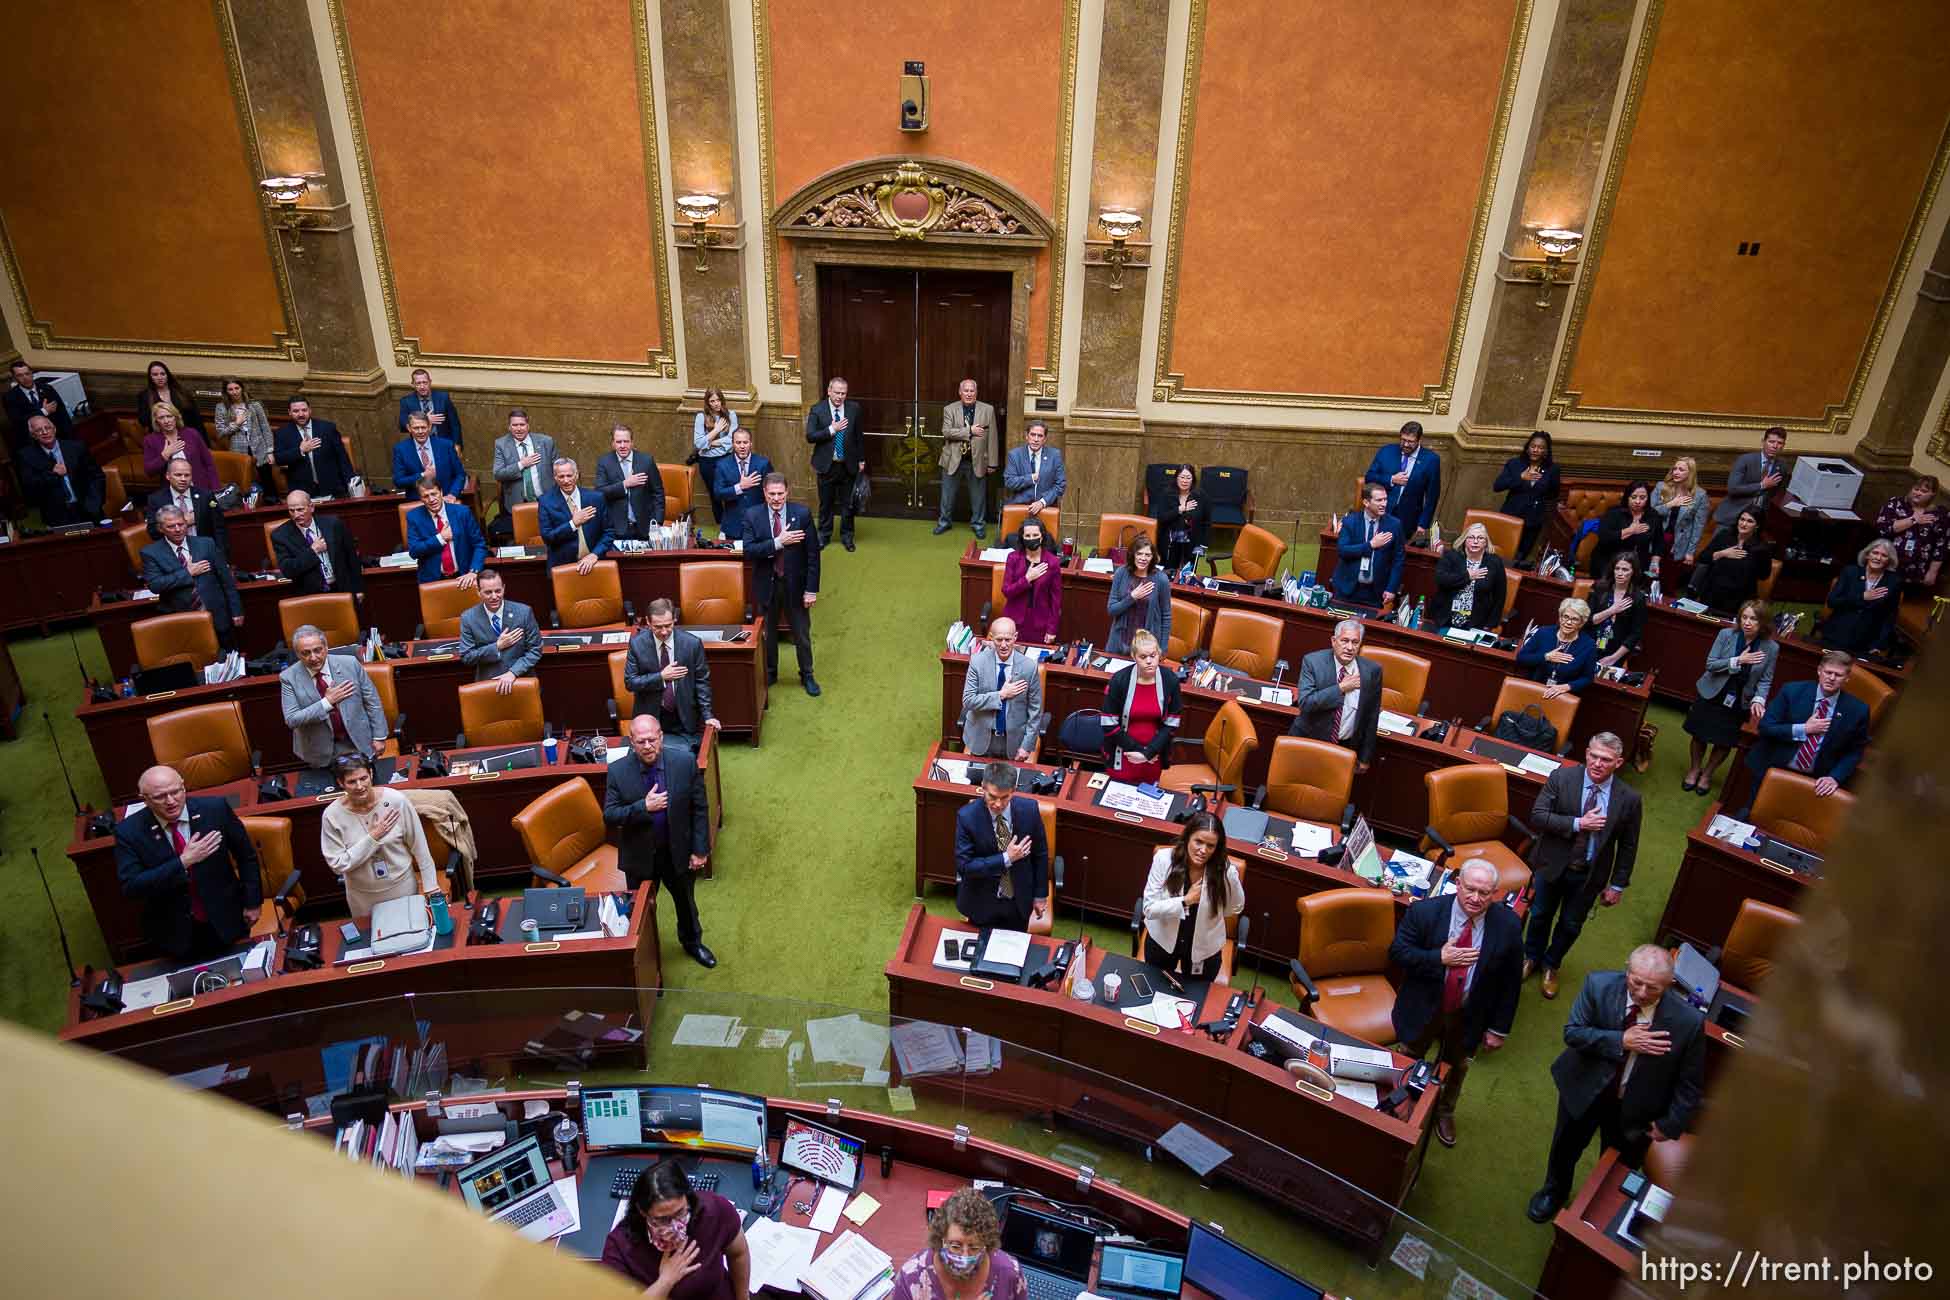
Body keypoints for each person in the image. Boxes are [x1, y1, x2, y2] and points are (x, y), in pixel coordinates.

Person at [1526, 946, 1705, 1224]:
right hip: (1585, 1088)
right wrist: (1621, 1040)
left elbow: (1690, 1083)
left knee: (1618, 1169)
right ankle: (1555, 1192)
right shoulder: (1598, 985)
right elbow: (1573, 1033)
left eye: (1654, 988)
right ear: (1627, 971)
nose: (1643, 993)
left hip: (1637, 1109)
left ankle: (1598, 1216)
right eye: (1637, 983)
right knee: (1565, 1148)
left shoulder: (1688, 1022)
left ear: (1670, 984)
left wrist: (1670, 1124)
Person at [1389, 859, 1522, 1148]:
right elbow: (1398, 954)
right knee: (1409, 1055)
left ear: (1495, 893)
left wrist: (1499, 1029)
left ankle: (1445, 1111)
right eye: (1470, 889)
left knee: (1457, 1067)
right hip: (1424, 1006)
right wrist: (1438, 958)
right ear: (1457, 884)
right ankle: (1401, 1104)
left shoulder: (1508, 925)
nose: (1475, 898)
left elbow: (1510, 981)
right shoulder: (1425, 912)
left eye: (1484, 893)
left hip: (1469, 1013)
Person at [1522, 732, 1641, 998]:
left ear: (1618, 763)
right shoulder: (1562, 778)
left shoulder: (1629, 798)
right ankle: (1531, 957)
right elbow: (1538, 816)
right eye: (1594, 756)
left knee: (1571, 925)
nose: (1598, 763)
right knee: (1540, 914)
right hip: (1551, 863)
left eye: (1606, 759)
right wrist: (1579, 824)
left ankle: (1552, 964)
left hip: (1589, 874)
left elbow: (1628, 845)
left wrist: (1618, 884)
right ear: (1586, 753)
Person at [115, 764, 262, 960]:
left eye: (175, 792)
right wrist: (183, 862)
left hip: (227, 917)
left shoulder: (215, 810)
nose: (170, 801)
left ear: (183, 787)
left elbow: (246, 857)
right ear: (145, 799)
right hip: (174, 931)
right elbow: (132, 887)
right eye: (160, 797)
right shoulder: (129, 832)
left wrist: (253, 903)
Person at [604, 715, 715, 967]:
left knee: (686, 904)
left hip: (677, 851)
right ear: (632, 742)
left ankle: (693, 943)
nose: (647, 746)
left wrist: (700, 849)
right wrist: (642, 807)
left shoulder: (685, 762)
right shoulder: (618, 771)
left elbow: (699, 808)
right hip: (640, 856)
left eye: (652, 739)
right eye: (641, 741)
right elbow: (610, 816)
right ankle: (644, 959)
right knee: (639, 912)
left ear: (661, 737)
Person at [601, 1156, 751, 1299]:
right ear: (642, 1211)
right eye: (662, 1219)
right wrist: (665, 1282)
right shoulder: (619, 1248)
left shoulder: (713, 1210)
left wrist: (743, 1298)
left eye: (680, 1213)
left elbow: (738, 1253)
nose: (674, 1227)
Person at [1743, 650, 1869, 808]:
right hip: (1773, 768)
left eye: (1838, 675)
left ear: (1847, 678)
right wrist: (1803, 729)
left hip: (1815, 782)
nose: (1831, 678)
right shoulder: (1792, 691)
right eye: (1828, 672)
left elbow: (1855, 751)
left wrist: (1835, 777)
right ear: (1819, 671)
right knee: (1750, 814)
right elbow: (1766, 728)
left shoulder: (1857, 710)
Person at [321, 753, 438, 915]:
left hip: (401, 887)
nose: (360, 786)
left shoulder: (397, 801)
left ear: (371, 774)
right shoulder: (332, 815)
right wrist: (373, 836)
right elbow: (338, 864)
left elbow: (420, 847)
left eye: (363, 778)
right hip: (362, 896)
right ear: (341, 783)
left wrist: (431, 887)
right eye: (352, 782)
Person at [1682, 599, 1776, 795]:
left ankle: (1707, 774)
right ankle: (1694, 769)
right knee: (1699, 734)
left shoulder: (1771, 648)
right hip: (1712, 692)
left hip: (1740, 698)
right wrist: (1738, 660)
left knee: (1724, 740)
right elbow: (1711, 664)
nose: (1747, 623)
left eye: (1754, 619)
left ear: (1763, 623)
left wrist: (1759, 699)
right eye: (1744, 617)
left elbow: (1766, 680)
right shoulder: (1726, 635)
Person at [1140, 811, 1244, 983]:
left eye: (1211, 846)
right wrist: (1186, 901)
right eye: (1199, 842)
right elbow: (1149, 909)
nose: (1203, 850)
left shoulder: (1224, 872)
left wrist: (1230, 876)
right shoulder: (1164, 860)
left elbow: (1235, 908)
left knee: (1198, 1002)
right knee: (1154, 989)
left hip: (1204, 950)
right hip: (1162, 942)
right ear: (1187, 837)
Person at [741, 472, 821, 695]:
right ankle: (770, 672)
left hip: (795, 585)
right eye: (772, 494)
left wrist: (811, 590)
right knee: (768, 633)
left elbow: (812, 555)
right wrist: (777, 542)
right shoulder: (752, 515)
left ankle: (807, 675)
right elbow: (749, 551)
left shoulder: (802, 514)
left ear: (787, 492)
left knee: (801, 634)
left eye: (780, 493)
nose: (777, 498)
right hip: (767, 584)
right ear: (764, 494)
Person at [953, 761, 1049, 932]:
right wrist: (1006, 858)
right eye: (992, 797)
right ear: (983, 787)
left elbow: (1040, 854)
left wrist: (1040, 895)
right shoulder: (967, 817)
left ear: (1013, 791)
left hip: (1019, 901)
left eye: (1005, 797)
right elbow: (964, 866)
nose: (998, 804)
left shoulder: (1030, 810)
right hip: (981, 902)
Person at [890, 1187, 1027, 1300]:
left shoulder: (1010, 1274)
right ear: (940, 1239)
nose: (965, 1256)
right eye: (955, 1246)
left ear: (987, 1244)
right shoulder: (912, 1278)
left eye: (974, 1247)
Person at [280, 625, 387, 769]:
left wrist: (379, 737)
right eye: (305, 653)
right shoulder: (288, 677)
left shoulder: (350, 664)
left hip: (358, 740)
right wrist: (327, 702)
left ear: (326, 647)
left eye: (318, 650)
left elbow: (372, 701)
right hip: (320, 750)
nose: (313, 657)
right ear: (297, 654)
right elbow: (292, 719)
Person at [140, 507, 244, 648]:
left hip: (217, 615)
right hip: (182, 620)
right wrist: (188, 573)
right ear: (160, 528)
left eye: (181, 524)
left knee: (230, 657)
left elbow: (226, 580)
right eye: (171, 526)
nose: (178, 529)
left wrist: (236, 610)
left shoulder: (206, 544)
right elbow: (155, 585)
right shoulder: (150, 553)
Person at [1291, 618, 1383, 772]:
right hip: (1309, 742)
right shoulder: (1313, 662)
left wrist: (1365, 757)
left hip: (1345, 747)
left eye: (1355, 642)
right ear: (1334, 641)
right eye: (1344, 641)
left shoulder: (1371, 671)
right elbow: (1306, 703)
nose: (1349, 647)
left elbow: (1371, 716)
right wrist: (1340, 688)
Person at [625, 597, 717, 747]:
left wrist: (708, 715)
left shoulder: (692, 644)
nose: (664, 632)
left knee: (683, 759)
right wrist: (661, 677)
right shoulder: (637, 644)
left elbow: (702, 681)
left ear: (674, 619)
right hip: (651, 715)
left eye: (668, 625)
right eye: (657, 627)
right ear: (648, 622)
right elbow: (630, 682)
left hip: (683, 717)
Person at [1100, 630, 1180, 785]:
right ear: (1134, 657)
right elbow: (1108, 723)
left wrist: (1149, 752)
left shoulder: (1170, 680)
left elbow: (1171, 722)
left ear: (1159, 655)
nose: (1149, 661)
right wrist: (1139, 751)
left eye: (1153, 655)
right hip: (1123, 754)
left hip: (1154, 757)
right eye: (1143, 657)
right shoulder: (1119, 680)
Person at [961, 617, 1043, 761]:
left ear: (1015, 637)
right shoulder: (977, 662)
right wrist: (1001, 695)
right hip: (981, 738)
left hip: (1013, 742)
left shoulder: (1029, 668)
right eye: (999, 640)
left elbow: (1035, 710)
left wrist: (1027, 745)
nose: (1003, 645)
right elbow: (968, 701)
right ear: (991, 638)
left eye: (1008, 639)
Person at [457, 567, 542, 691]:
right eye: (488, 592)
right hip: (488, 683)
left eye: (498, 591)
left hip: (521, 680)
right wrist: (496, 646)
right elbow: (467, 657)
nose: (494, 596)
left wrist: (513, 673)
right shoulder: (468, 618)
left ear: (504, 588)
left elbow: (535, 650)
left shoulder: (523, 612)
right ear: (478, 592)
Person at [805, 375, 864, 551]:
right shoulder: (818, 409)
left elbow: (858, 436)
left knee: (848, 504)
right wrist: (832, 429)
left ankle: (847, 537)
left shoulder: (854, 408)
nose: (840, 397)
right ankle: (823, 536)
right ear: (829, 391)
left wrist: (861, 459)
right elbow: (810, 436)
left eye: (843, 393)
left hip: (848, 465)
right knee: (826, 504)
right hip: (826, 465)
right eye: (837, 392)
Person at [934, 377, 996, 539]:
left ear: (976, 392)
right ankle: (944, 523)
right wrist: (969, 431)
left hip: (977, 461)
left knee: (978, 498)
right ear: (960, 392)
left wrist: (993, 463)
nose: (969, 393)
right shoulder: (949, 409)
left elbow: (992, 437)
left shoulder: (988, 409)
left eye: (972, 390)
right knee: (947, 496)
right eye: (966, 390)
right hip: (953, 460)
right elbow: (946, 432)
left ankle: (978, 524)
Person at [17, 413, 104, 525]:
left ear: (54, 429)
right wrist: (53, 474)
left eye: (47, 428)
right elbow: (31, 489)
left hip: (88, 508)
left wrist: (94, 504)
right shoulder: (26, 456)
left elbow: (97, 476)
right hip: (57, 516)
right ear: (33, 435)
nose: (44, 432)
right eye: (39, 430)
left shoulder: (76, 447)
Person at [1821, 539, 1901, 657]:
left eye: (1884, 555)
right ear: (1867, 554)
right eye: (1875, 553)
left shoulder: (1893, 582)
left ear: (1889, 560)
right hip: (1836, 634)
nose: (1878, 558)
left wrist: (1879, 645)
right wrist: (1862, 597)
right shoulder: (1850, 572)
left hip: (1865, 642)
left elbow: (1889, 617)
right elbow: (1832, 602)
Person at [1688, 506, 1774, 615]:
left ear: (1757, 525)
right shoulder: (1725, 536)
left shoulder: (1761, 548)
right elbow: (1703, 558)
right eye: (1742, 519)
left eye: (1749, 521)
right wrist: (1722, 553)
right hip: (1712, 593)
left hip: (1739, 600)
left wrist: (1751, 561)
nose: (1743, 524)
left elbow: (1764, 575)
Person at [1492, 430, 1559, 566]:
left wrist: (1540, 493)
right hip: (1511, 516)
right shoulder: (1515, 464)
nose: (1536, 450)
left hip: (1532, 521)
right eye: (1533, 446)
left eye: (1540, 448)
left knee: (1520, 558)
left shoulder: (1553, 469)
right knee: (1502, 553)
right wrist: (1520, 478)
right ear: (1527, 448)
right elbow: (1497, 486)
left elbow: (1553, 493)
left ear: (1546, 451)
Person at [1333, 482, 1404, 608]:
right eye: (1379, 500)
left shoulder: (1394, 525)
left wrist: (1391, 588)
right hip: (1347, 590)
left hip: (1376, 593)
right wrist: (1370, 545)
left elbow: (1398, 559)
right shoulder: (1350, 521)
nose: (1384, 504)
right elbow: (1343, 551)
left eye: (1385, 499)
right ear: (1366, 502)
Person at [538, 456, 613, 574]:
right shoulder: (546, 502)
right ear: (555, 478)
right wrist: (573, 524)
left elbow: (609, 532)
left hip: (595, 563)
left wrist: (594, 555)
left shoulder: (596, 498)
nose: (566, 480)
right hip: (563, 567)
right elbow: (548, 537)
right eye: (561, 476)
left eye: (569, 475)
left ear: (576, 475)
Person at [405, 476, 486, 584]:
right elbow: (414, 551)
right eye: (426, 496)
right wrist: (440, 538)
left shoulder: (462, 512)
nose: (431, 499)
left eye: (434, 494)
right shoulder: (414, 517)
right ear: (420, 498)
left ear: (441, 492)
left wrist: (473, 571)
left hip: (465, 577)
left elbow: (479, 544)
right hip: (433, 581)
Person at [1429, 522, 1506, 632]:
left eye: (1480, 538)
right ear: (1464, 540)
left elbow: (1499, 596)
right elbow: (1440, 579)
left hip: (1476, 623)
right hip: (1446, 618)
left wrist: (1490, 625)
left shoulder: (1494, 562)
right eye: (1471, 537)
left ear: (1486, 543)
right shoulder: (1451, 556)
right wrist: (1467, 576)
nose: (1475, 541)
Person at [1516, 597, 1598, 700]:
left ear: (1582, 623)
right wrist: (1545, 657)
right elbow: (1521, 658)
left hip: (1562, 696)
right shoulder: (1543, 633)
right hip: (1535, 689)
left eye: (1574, 619)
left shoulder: (1588, 645)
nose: (1568, 622)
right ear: (1560, 618)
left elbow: (1587, 678)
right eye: (1565, 617)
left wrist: (1567, 686)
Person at [594, 421, 664, 541]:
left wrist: (657, 522)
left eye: (626, 441)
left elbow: (658, 493)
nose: (622, 445)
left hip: (645, 527)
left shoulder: (646, 461)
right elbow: (600, 492)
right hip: (617, 529)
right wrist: (625, 484)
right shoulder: (604, 463)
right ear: (613, 444)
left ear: (632, 442)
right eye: (618, 442)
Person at [1873, 474, 1944, 591]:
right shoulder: (1896, 503)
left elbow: (1941, 546)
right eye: (1916, 489)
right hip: (1887, 563)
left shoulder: (1939, 514)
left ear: (1933, 494)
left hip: (1916, 571)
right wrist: (1913, 520)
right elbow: (1883, 528)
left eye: (1924, 491)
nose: (1918, 493)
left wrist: (1933, 572)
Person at [274, 397, 355, 499]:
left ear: (310, 410)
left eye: (304, 410)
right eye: (296, 411)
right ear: (289, 412)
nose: (301, 414)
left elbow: (342, 458)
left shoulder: (327, 428)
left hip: (333, 488)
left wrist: (351, 483)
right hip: (302, 492)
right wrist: (300, 450)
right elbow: (279, 458)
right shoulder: (282, 433)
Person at [1106, 535, 1171, 655]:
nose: (1143, 558)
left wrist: (1163, 648)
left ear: (1153, 557)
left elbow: (1166, 616)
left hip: (1146, 646)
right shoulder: (1121, 573)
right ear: (1133, 555)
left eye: (1148, 555)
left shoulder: (1161, 579)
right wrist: (1132, 597)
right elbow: (1111, 610)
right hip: (1119, 643)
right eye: (1139, 554)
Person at [1001, 515, 1061, 643]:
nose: (1031, 539)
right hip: (1014, 621)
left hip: (1040, 623)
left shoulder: (1053, 562)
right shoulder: (1013, 558)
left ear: (1042, 536)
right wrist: (1027, 579)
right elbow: (1006, 591)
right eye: (1027, 536)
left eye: (1035, 535)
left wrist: (1052, 629)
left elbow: (1055, 600)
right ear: (1022, 538)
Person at [1714, 425, 1790, 526]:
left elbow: (1778, 495)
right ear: (1763, 442)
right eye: (1771, 442)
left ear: (1783, 446)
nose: (1775, 446)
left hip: (1759, 520)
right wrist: (1762, 485)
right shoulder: (1745, 460)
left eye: (1779, 443)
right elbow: (1733, 489)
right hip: (1733, 515)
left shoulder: (1782, 466)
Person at [144, 455, 228, 546]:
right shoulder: (156, 499)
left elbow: (219, 528)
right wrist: (183, 522)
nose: (183, 479)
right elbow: (153, 532)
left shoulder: (205, 496)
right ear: (168, 476)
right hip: (174, 552)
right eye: (178, 475)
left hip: (205, 549)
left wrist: (220, 555)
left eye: (187, 475)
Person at [1587, 553, 1647, 671]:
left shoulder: (1638, 598)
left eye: (1625, 570)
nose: (1620, 573)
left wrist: (1614, 658)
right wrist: (1612, 610)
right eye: (1617, 568)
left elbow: (1635, 634)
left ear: (1633, 572)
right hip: (1588, 644)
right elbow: (1587, 620)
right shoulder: (1600, 588)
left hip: (1614, 651)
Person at [1588, 480, 1659, 579]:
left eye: (1642, 498)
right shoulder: (1614, 513)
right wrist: (1630, 530)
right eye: (1633, 497)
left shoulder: (1652, 515)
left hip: (1638, 563)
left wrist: (1655, 562)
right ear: (1627, 497)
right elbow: (1604, 538)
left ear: (1648, 498)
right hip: (1608, 561)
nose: (1638, 501)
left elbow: (1658, 541)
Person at [709, 428, 771, 541]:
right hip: (733, 526)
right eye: (738, 442)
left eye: (745, 442)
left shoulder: (763, 464)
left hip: (758, 524)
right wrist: (740, 487)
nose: (742, 446)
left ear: (751, 443)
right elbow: (718, 494)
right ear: (733, 444)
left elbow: (771, 492)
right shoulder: (722, 465)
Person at [211, 378, 275, 487]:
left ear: (242, 389)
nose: (234, 392)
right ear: (226, 392)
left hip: (259, 447)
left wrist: (270, 451)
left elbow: (265, 427)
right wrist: (236, 424)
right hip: (237, 449)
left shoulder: (255, 405)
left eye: (237, 388)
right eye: (230, 389)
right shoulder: (221, 407)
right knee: (243, 480)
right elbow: (220, 433)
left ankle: (272, 500)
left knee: (267, 478)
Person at [489, 407, 557, 508]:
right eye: (515, 425)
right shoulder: (501, 444)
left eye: (522, 424)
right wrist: (521, 464)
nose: (519, 428)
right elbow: (498, 474)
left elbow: (557, 469)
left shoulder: (546, 442)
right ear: (509, 427)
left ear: (528, 426)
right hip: (518, 502)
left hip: (546, 499)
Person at [1651, 455, 1710, 571]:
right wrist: (1671, 504)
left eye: (1681, 470)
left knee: (1669, 578)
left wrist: (1690, 552)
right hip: (1657, 536)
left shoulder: (1700, 495)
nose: (1676, 472)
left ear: (1690, 473)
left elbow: (1698, 526)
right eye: (1675, 469)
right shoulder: (1661, 487)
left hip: (1679, 542)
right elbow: (1651, 513)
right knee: (1651, 575)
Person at [141, 403, 219, 489]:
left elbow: (209, 464)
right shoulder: (150, 440)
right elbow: (149, 471)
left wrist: (215, 489)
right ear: (156, 421)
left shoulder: (191, 433)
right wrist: (164, 456)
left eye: (169, 416)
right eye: (161, 418)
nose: (166, 421)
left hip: (199, 487)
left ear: (176, 417)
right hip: (171, 492)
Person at [692, 388, 739, 526]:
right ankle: (721, 526)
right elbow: (699, 443)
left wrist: (710, 443)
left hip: (726, 459)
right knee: (715, 495)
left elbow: (732, 440)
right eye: (712, 401)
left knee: (730, 492)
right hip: (707, 462)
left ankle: (733, 524)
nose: (716, 404)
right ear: (707, 403)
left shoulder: (731, 415)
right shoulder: (701, 417)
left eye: (718, 400)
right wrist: (717, 430)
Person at [391, 410, 466, 497]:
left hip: (446, 499)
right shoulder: (401, 449)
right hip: (419, 502)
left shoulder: (446, 445)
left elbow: (460, 475)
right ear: (409, 428)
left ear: (429, 426)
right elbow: (398, 481)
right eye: (416, 428)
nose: (420, 431)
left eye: (423, 427)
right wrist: (422, 475)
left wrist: (452, 494)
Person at [1003, 418, 1066, 518]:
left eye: (1040, 436)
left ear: (1045, 439)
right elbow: (1009, 482)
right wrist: (1031, 478)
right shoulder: (1015, 455)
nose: (1036, 439)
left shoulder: (1054, 455)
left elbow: (1060, 485)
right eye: (1033, 434)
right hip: (1021, 506)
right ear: (1027, 436)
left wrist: (1042, 502)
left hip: (1046, 508)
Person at [6, 358, 71, 447]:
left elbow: (63, 414)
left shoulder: (47, 389)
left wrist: (68, 438)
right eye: (20, 375)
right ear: (14, 378)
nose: (25, 378)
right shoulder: (10, 397)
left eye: (27, 374)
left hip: (57, 437)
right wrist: (43, 411)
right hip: (33, 442)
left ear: (32, 373)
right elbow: (18, 422)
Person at [1154, 463, 1208, 569]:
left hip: (1192, 542)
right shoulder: (1166, 494)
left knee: (1188, 575)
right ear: (1176, 478)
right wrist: (1180, 509)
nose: (1185, 481)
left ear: (1193, 479)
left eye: (1188, 478)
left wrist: (1203, 545)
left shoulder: (1201, 496)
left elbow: (1206, 522)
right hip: (1170, 541)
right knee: (1168, 573)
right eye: (1182, 477)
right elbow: (1162, 518)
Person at [397, 367, 463, 448]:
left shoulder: (443, 398)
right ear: (413, 384)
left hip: (444, 444)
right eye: (418, 383)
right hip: (421, 446)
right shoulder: (406, 402)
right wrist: (425, 419)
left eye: (425, 382)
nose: (422, 386)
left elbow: (455, 424)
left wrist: (457, 444)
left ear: (430, 382)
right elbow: (402, 426)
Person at [133, 360, 204, 433]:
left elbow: (197, 419)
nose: (159, 377)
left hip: (185, 433)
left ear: (167, 375)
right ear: (150, 377)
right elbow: (143, 422)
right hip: (160, 435)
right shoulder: (145, 396)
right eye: (155, 375)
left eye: (162, 374)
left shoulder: (182, 393)